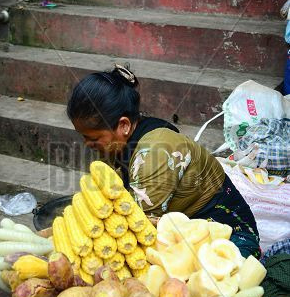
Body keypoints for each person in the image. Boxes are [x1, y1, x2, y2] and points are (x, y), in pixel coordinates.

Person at [67, 65, 260, 258]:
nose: (87, 144)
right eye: (84, 137)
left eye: (93, 138)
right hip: (183, 232)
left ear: (124, 125)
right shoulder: (119, 143)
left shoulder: (153, 154)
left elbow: (139, 226)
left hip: (232, 238)